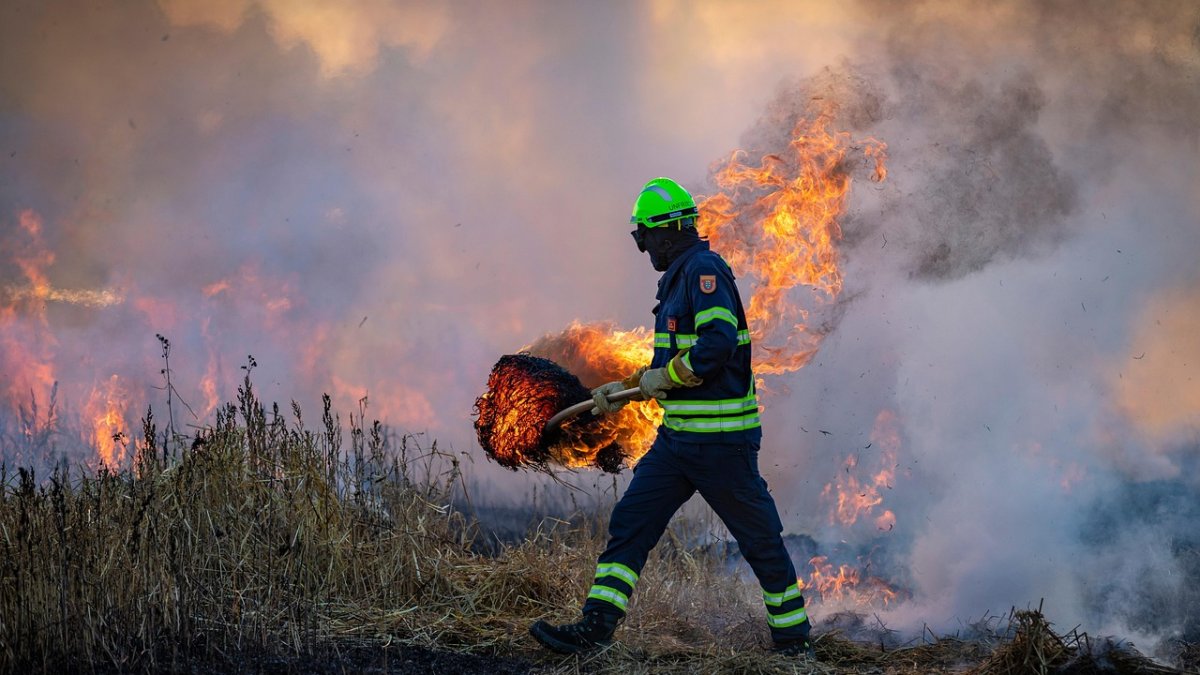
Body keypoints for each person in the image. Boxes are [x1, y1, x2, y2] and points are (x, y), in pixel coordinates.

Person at [529, 177, 813, 657]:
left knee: (759, 541)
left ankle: (792, 643)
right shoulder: (679, 278)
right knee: (631, 523)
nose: (646, 252)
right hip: (678, 444)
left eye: (645, 240)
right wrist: (631, 387)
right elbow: (673, 365)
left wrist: (667, 377)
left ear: (665, 232)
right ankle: (594, 630)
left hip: (722, 445)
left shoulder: (704, 272)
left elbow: (716, 346)